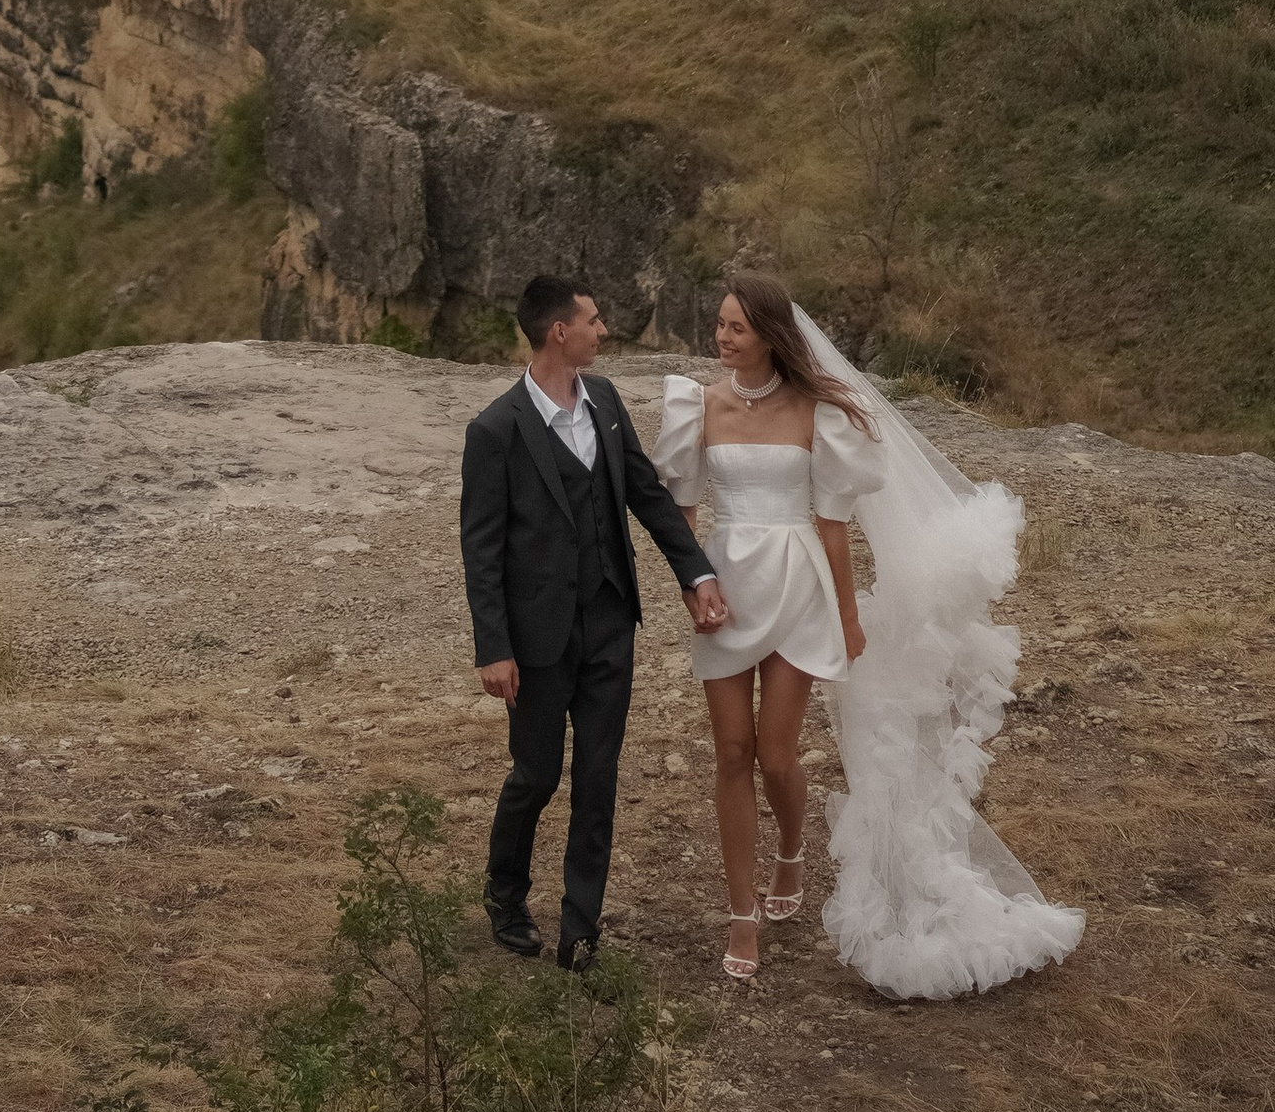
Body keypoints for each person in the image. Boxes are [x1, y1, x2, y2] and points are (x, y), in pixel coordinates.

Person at [655, 268, 1084, 999]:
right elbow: (683, 513)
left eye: (735, 327)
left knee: (778, 752)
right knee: (731, 751)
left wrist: (849, 618)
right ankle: (741, 914)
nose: (720, 338)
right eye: (719, 325)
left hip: (799, 588)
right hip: (725, 587)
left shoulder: (814, 412)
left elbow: (832, 527)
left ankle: (791, 851)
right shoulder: (698, 407)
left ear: (769, 335)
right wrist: (695, 586)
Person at [460, 274, 729, 971]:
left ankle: (581, 929)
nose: (602, 331)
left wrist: (694, 572)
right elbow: (481, 548)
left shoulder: (605, 401)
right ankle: (506, 892)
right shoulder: (494, 429)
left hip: (611, 619)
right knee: (536, 775)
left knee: (599, 776)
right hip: (538, 638)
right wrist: (494, 647)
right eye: (593, 319)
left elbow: (644, 492)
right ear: (559, 331)